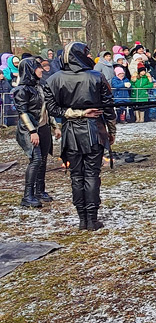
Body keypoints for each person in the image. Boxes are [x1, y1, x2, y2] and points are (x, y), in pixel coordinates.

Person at [43, 42, 116, 231]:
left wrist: (73, 114)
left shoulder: (54, 79)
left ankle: (85, 219)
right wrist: (111, 131)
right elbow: (108, 107)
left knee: (77, 176)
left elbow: (52, 108)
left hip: (72, 132)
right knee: (90, 175)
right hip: (93, 131)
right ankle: (89, 219)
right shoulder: (96, 77)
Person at [14, 57, 60, 208]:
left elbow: (47, 109)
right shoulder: (22, 90)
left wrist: (55, 126)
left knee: (43, 160)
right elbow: (23, 112)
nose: (41, 70)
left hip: (44, 127)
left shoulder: (41, 86)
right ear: (30, 70)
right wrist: (32, 131)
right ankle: (27, 196)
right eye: (38, 67)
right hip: (30, 129)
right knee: (36, 159)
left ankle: (40, 191)